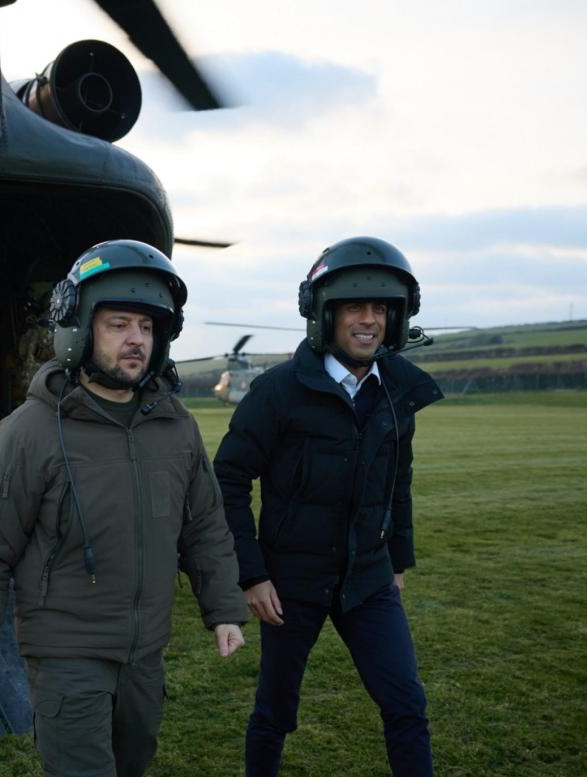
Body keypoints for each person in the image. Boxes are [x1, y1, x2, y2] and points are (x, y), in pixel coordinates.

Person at [0, 240, 248, 777]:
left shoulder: (175, 426)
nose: (136, 340)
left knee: (133, 764)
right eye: (119, 324)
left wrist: (222, 608)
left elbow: (204, 527)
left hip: (145, 652)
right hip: (66, 653)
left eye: (147, 328)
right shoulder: (30, 431)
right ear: (79, 331)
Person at [213, 237, 443, 776]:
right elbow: (226, 480)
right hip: (290, 584)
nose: (370, 320)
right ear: (325, 314)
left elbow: (398, 481)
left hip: (367, 578)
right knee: (275, 712)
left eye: (381, 308)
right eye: (355, 308)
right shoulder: (277, 392)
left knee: (406, 704)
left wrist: (398, 560)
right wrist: (252, 574)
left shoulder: (395, 392)